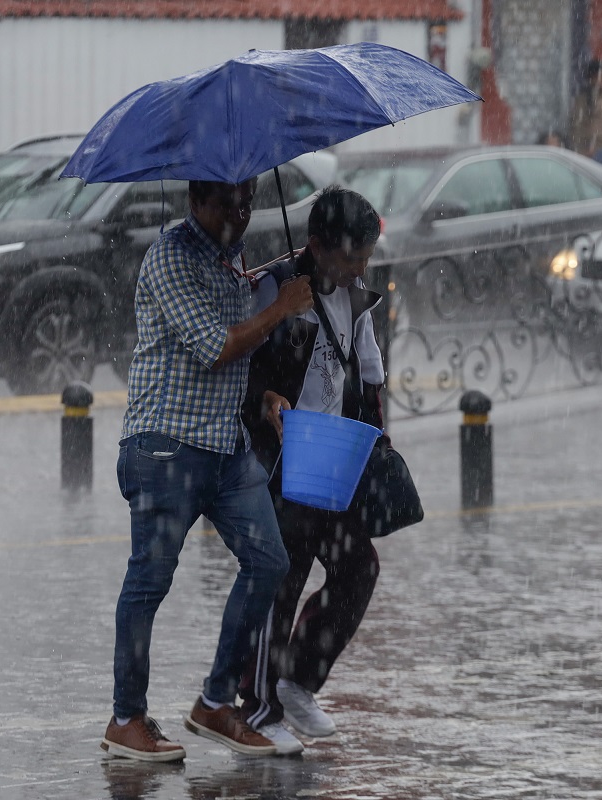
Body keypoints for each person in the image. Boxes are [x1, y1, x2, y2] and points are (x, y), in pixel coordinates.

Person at [100, 177, 315, 762]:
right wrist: (280, 307)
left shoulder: (231, 257)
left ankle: (216, 702)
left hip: (226, 446)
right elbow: (216, 345)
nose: (241, 213)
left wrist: (266, 394)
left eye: (248, 201)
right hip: (167, 446)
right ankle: (126, 718)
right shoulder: (171, 256)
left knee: (269, 560)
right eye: (227, 203)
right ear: (196, 201)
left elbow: (239, 358)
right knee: (150, 579)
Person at [237, 186, 385, 749]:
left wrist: (373, 440)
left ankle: (299, 680)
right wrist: (265, 397)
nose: (361, 268)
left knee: (358, 568)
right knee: (284, 575)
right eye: (352, 258)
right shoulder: (274, 290)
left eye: (367, 257)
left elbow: (369, 376)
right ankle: (260, 708)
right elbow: (238, 369)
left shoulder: (355, 298)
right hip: (278, 460)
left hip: (331, 457)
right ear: (318, 247)